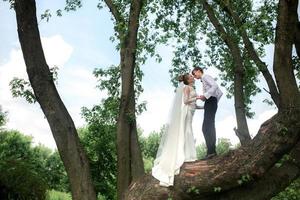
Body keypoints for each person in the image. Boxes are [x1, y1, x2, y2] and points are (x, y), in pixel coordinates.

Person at [152, 73, 203, 187]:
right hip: (187, 112)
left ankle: (188, 154)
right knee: (187, 131)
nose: (192, 78)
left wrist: (202, 107)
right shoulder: (186, 88)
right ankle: (187, 155)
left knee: (188, 131)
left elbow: (193, 104)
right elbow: (185, 101)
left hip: (191, 111)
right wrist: (197, 97)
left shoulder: (192, 88)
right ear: (187, 80)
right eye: (190, 77)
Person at [192, 66, 223, 160]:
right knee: (207, 127)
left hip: (211, 102)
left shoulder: (206, 77)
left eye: (194, 73)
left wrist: (206, 96)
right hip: (209, 103)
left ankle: (211, 151)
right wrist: (204, 103)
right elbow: (218, 93)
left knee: (207, 127)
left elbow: (215, 86)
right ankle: (211, 151)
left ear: (198, 71)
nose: (194, 76)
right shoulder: (203, 80)